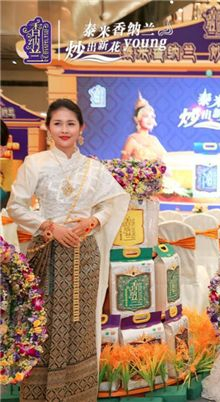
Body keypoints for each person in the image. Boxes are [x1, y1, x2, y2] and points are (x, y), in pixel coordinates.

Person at [7, 99, 129, 401]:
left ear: (81, 128)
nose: (64, 129)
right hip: (47, 253)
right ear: (48, 127)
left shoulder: (93, 168)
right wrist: (49, 226)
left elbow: (113, 202)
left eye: (71, 123)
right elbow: (16, 207)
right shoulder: (35, 163)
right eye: (58, 123)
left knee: (81, 321)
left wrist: (93, 221)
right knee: (42, 323)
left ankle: (79, 394)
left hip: (84, 255)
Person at [121, 91, 167, 161]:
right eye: (145, 116)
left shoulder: (154, 139)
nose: (150, 120)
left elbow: (166, 158)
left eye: (152, 117)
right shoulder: (132, 139)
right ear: (138, 119)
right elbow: (123, 163)